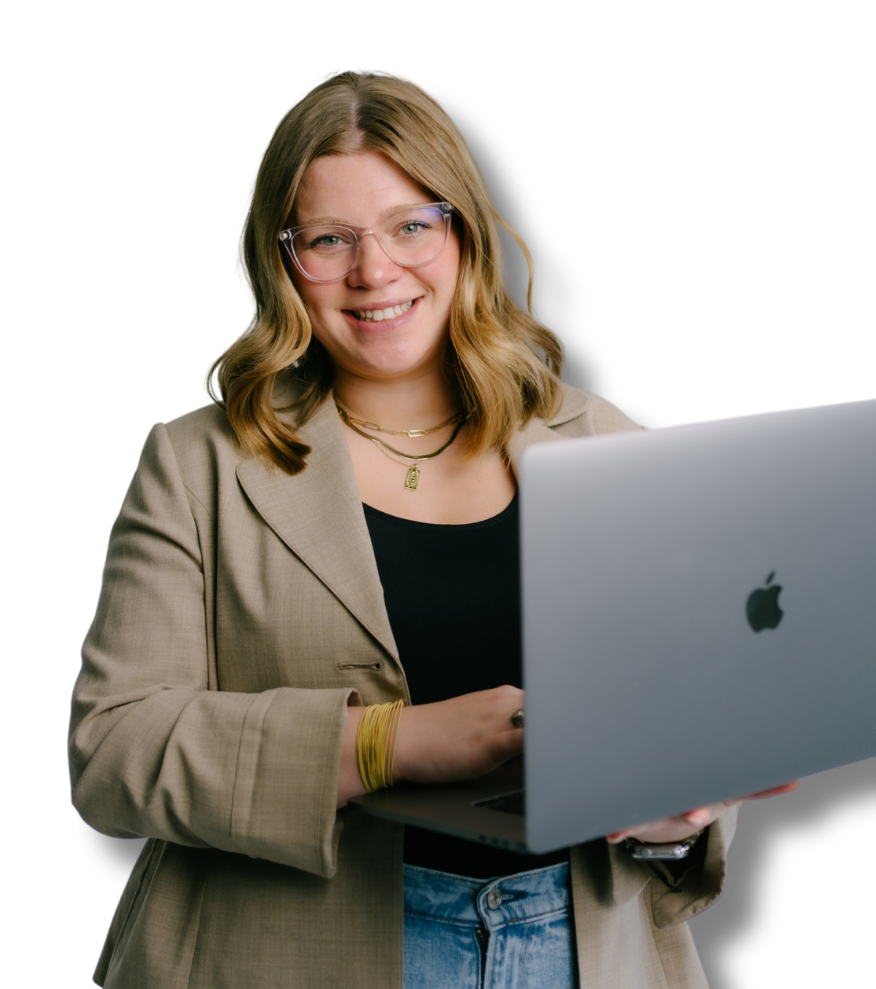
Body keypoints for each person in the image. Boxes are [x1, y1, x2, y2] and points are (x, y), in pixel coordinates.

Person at [68, 68, 799, 989]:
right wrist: (389, 742)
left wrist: (669, 818)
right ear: (282, 261)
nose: (375, 271)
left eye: (411, 225)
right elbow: (112, 751)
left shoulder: (606, 439)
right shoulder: (196, 463)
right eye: (329, 239)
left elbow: (682, 711)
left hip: (583, 952)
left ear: (464, 231)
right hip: (278, 957)